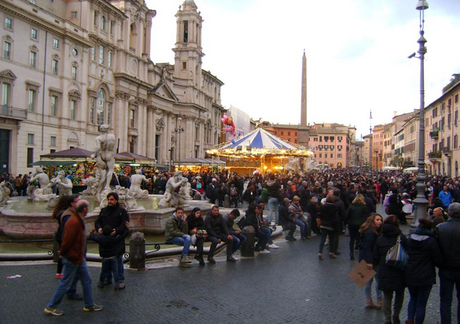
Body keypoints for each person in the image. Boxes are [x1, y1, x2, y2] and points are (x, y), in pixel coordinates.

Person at [44, 200, 102, 316]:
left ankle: (89, 304)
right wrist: (63, 252)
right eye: (88, 207)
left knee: (87, 280)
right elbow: (67, 240)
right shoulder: (74, 222)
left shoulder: (78, 219)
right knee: (65, 283)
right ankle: (51, 306)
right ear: (84, 209)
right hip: (72, 257)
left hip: (78, 257)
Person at [404, 218, 443, 324]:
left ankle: (410, 318)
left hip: (411, 272)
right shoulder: (431, 240)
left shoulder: (410, 238)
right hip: (426, 274)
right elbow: (437, 259)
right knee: (421, 303)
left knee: (413, 298)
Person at [373, 215, 407, 324]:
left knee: (387, 295)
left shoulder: (380, 238)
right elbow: (408, 252)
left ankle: (387, 318)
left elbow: (375, 257)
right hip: (399, 269)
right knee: (400, 293)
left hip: (385, 270)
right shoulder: (401, 238)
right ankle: (396, 315)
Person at [95, 192, 129, 288]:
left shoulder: (122, 211)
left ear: (116, 200)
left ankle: (121, 280)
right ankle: (108, 278)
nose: (109, 201)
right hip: (106, 240)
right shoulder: (103, 211)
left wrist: (116, 230)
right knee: (106, 262)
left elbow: (124, 224)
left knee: (118, 261)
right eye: (108, 199)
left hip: (117, 240)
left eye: (112, 199)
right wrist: (99, 228)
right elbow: (98, 222)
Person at [435, 202, 460, 324]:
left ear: (448, 213)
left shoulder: (440, 228)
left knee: (445, 300)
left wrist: (440, 262)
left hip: (445, 268)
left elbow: (436, 249)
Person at [358, 213, 383, 309]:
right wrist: (369, 261)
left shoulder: (368, 231)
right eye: (377, 220)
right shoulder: (371, 233)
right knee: (377, 280)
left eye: (380, 220)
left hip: (365, 258)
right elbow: (367, 247)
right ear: (372, 221)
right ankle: (379, 300)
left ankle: (369, 300)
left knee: (368, 281)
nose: (380, 222)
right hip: (371, 259)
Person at [90, 225, 126, 290]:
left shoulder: (101, 239)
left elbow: (93, 237)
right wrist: (126, 228)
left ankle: (101, 282)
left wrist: (91, 233)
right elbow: (122, 237)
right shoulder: (114, 239)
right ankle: (117, 284)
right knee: (115, 271)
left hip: (105, 257)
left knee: (103, 271)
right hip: (113, 257)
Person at [91, 124, 116, 200]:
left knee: (103, 172)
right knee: (110, 170)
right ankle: (107, 186)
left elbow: (98, 148)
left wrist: (94, 154)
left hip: (102, 154)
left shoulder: (99, 138)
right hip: (109, 154)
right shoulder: (112, 137)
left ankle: (100, 187)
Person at [52, 195, 73, 279]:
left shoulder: (58, 211)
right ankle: (63, 272)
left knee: (62, 252)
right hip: (63, 234)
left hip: (59, 234)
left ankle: (59, 272)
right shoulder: (64, 213)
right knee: (64, 253)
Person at [345, 194, 369, 260]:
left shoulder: (351, 206)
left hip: (352, 224)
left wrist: (347, 221)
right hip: (361, 225)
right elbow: (366, 215)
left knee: (352, 239)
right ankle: (360, 250)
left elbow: (346, 215)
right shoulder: (363, 207)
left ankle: (351, 253)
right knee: (361, 238)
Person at [318, 196, 339, 260]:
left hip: (323, 224)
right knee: (331, 239)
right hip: (330, 225)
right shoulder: (334, 207)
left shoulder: (322, 207)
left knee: (322, 239)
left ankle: (320, 252)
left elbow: (319, 215)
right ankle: (331, 252)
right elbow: (334, 217)